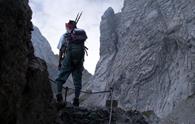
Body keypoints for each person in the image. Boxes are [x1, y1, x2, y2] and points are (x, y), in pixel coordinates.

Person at [55, 20, 87, 106]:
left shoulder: (65, 36)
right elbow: (82, 50)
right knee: (77, 81)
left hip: (68, 59)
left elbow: (61, 50)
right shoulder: (80, 36)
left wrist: (60, 62)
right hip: (79, 61)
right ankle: (76, 100)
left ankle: (58, 96)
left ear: (68, 27)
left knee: (60, 77)